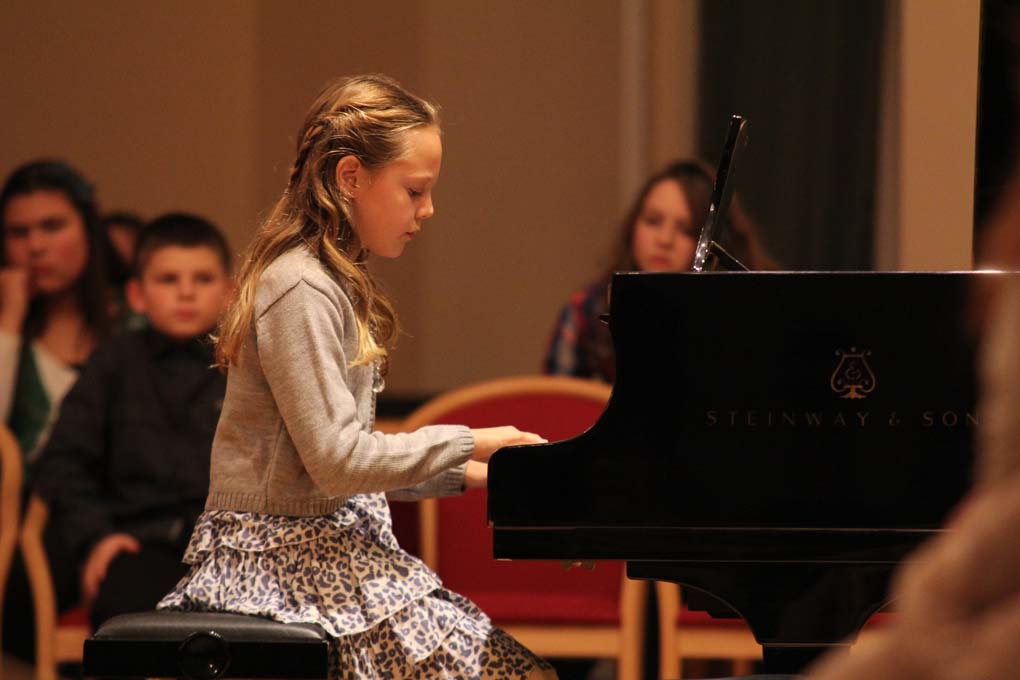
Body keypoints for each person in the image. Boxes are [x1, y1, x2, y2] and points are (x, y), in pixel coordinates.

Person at [157, 74, 557, 680]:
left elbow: (346, 472)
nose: (428, 209)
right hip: (282, 565)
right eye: (414, 190)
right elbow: (339, 463)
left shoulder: (329, 282)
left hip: (323, 546)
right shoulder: (299, 286)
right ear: (350, 178)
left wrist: (488, 475)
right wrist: (474, 439)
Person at [30, 212, 232, 632]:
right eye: (168, 279)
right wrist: (97, 537)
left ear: (230, 292)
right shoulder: (113, 364)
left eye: (202, 278)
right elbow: (61, 461)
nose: (186, 292)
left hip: (228, 549)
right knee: (126, 622)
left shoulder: (247, 367)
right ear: (137, 295)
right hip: (137, 543)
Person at [542, 159, 774, 383]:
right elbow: (556, 406)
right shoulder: (586, 310)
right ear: (633, 225)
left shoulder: (738, 318)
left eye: (686, 230)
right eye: (653, 221)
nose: (664, 240)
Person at [0, 159, 112, 462]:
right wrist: (9, 320)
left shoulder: (136, 322)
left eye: (52, 226)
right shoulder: (7, 328)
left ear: (88, 228)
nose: (35, 246)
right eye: (18, 232)